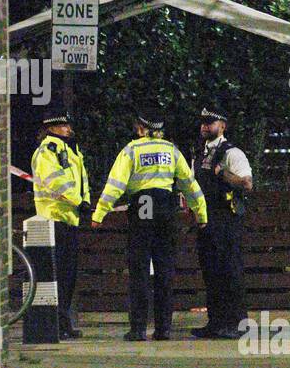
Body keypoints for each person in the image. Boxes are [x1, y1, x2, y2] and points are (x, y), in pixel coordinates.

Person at [91, 109, 207, 341]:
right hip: (166, 209)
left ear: (142, 128)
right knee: (165, 271)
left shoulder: (132, 150)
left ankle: (138, 329)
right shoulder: (171, 150)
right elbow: (188, 183)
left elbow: (116, 184)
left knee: (139, 271)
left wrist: (100, 212)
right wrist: (201, 213)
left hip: (142, 210)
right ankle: (164, 329)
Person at [189, 106, 252, 339]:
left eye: (211, 122)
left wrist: (221, 173)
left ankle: (237, 324)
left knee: (230, 271)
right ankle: (215, 323)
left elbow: (247, 184)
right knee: (211, 272)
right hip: (206, 220)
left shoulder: (232, 153)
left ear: (223, 126)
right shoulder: (199, 152)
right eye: (203, 122)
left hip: (227, 219)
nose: (205, 126)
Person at [31, 112, 91, 339]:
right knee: (58, 275)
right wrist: (79, 201)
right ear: (52, 128)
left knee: (68, 275)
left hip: (68, 218)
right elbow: (55, 181)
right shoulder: (49, 150)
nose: (68, 128)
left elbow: (81, 180)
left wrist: (84, 200)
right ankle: (57, 324)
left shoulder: (70, 150)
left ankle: (63, 322)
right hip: (53, 217)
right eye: (63, 124)